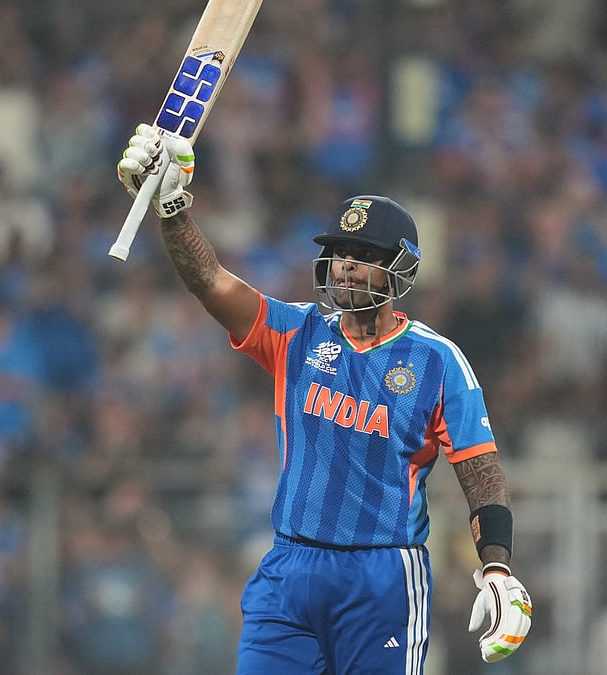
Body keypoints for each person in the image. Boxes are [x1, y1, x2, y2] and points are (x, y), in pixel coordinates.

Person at [117, 124, 532, 672]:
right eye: (338, 253)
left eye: (362, 254)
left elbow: (481, 474)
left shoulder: (438, 361)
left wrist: (496, 568)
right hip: (289, 570)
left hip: (382, 578)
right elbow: (209, 280)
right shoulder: (297, 333)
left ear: (399, 267)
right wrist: (172, 206)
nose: (344, 266)